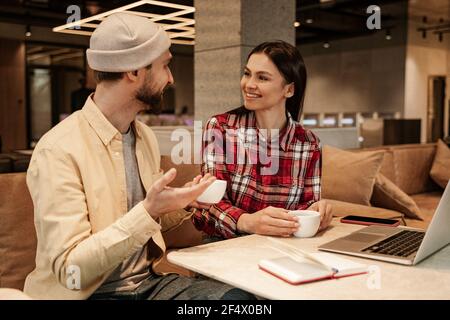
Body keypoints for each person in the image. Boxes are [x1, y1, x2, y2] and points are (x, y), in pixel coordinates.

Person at [24, 12, 254, 300]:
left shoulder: (143, 135)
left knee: (237, 301)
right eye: (165, 66)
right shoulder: (57, 150)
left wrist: (181, 201)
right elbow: (73, 271)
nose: (170, 79)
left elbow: (143, 214)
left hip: (147, 285)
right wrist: (148, 211)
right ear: (134, 71)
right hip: (89, 295)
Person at [192, 41, 332, 239]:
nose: (249, 84)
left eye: (262, 78)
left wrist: (318, 211)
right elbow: (208, 204)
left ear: (289, 90)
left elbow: (306, 208)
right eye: (247, 73)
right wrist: (248, 222)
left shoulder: (308, 143)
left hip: (285, 248)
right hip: (228, 247)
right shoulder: (221, 127)